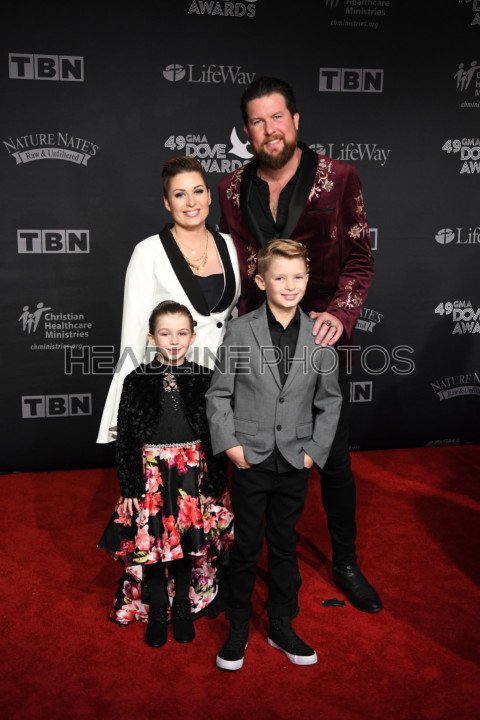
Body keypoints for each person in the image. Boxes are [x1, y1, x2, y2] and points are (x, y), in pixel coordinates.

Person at [218, 75, 382, 614]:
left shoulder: (339, 178)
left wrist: (339, 314)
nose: (269, 129)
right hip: (254, 343)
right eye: (257, 121)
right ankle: (241, 558)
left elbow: (360, 260)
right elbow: (231, 264)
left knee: (332, 457)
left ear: (295, 120)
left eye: (277, 117)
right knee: (251, 455)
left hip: (318, 342)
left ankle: (346, 562)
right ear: (246, 131)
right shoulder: (229, 187)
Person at [206, 239, 342, 670]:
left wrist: (314, 452)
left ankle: (281, 622)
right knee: (246, 544)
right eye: (280, 277)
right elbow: (219, 393)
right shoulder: (240, 330)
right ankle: (239, 624)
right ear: (262, 281)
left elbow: (330, 401)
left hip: (296, 460)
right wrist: (230, 444)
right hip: (250, 457)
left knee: (284, 544)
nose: (290, 285)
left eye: (298, 276)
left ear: (308, 278)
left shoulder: (320, 335)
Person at [98, 301, 233, 647]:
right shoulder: (135, 380)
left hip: (192, 475)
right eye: (165, 333)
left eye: (182, 333)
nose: (174, 341)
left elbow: (215, 435)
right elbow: (126, 438)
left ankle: (183, 608)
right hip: (152, 477)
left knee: (188, 544)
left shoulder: (204, 377)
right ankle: (158, 609)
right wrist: (130, 485)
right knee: (154, 546)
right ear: (151, 337)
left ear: (193, 337)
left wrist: (215, 481)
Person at [97, 155, 241, 444]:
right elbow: (134, 333)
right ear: (167, 202)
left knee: (220, 465)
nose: (191, 202)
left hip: (225, 381)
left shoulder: (232, 244)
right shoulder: (147, 252)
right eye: (179, 194)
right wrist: (126, 409)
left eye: (197, 191)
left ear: (209, 196)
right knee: (176, 466)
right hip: (170, 383)